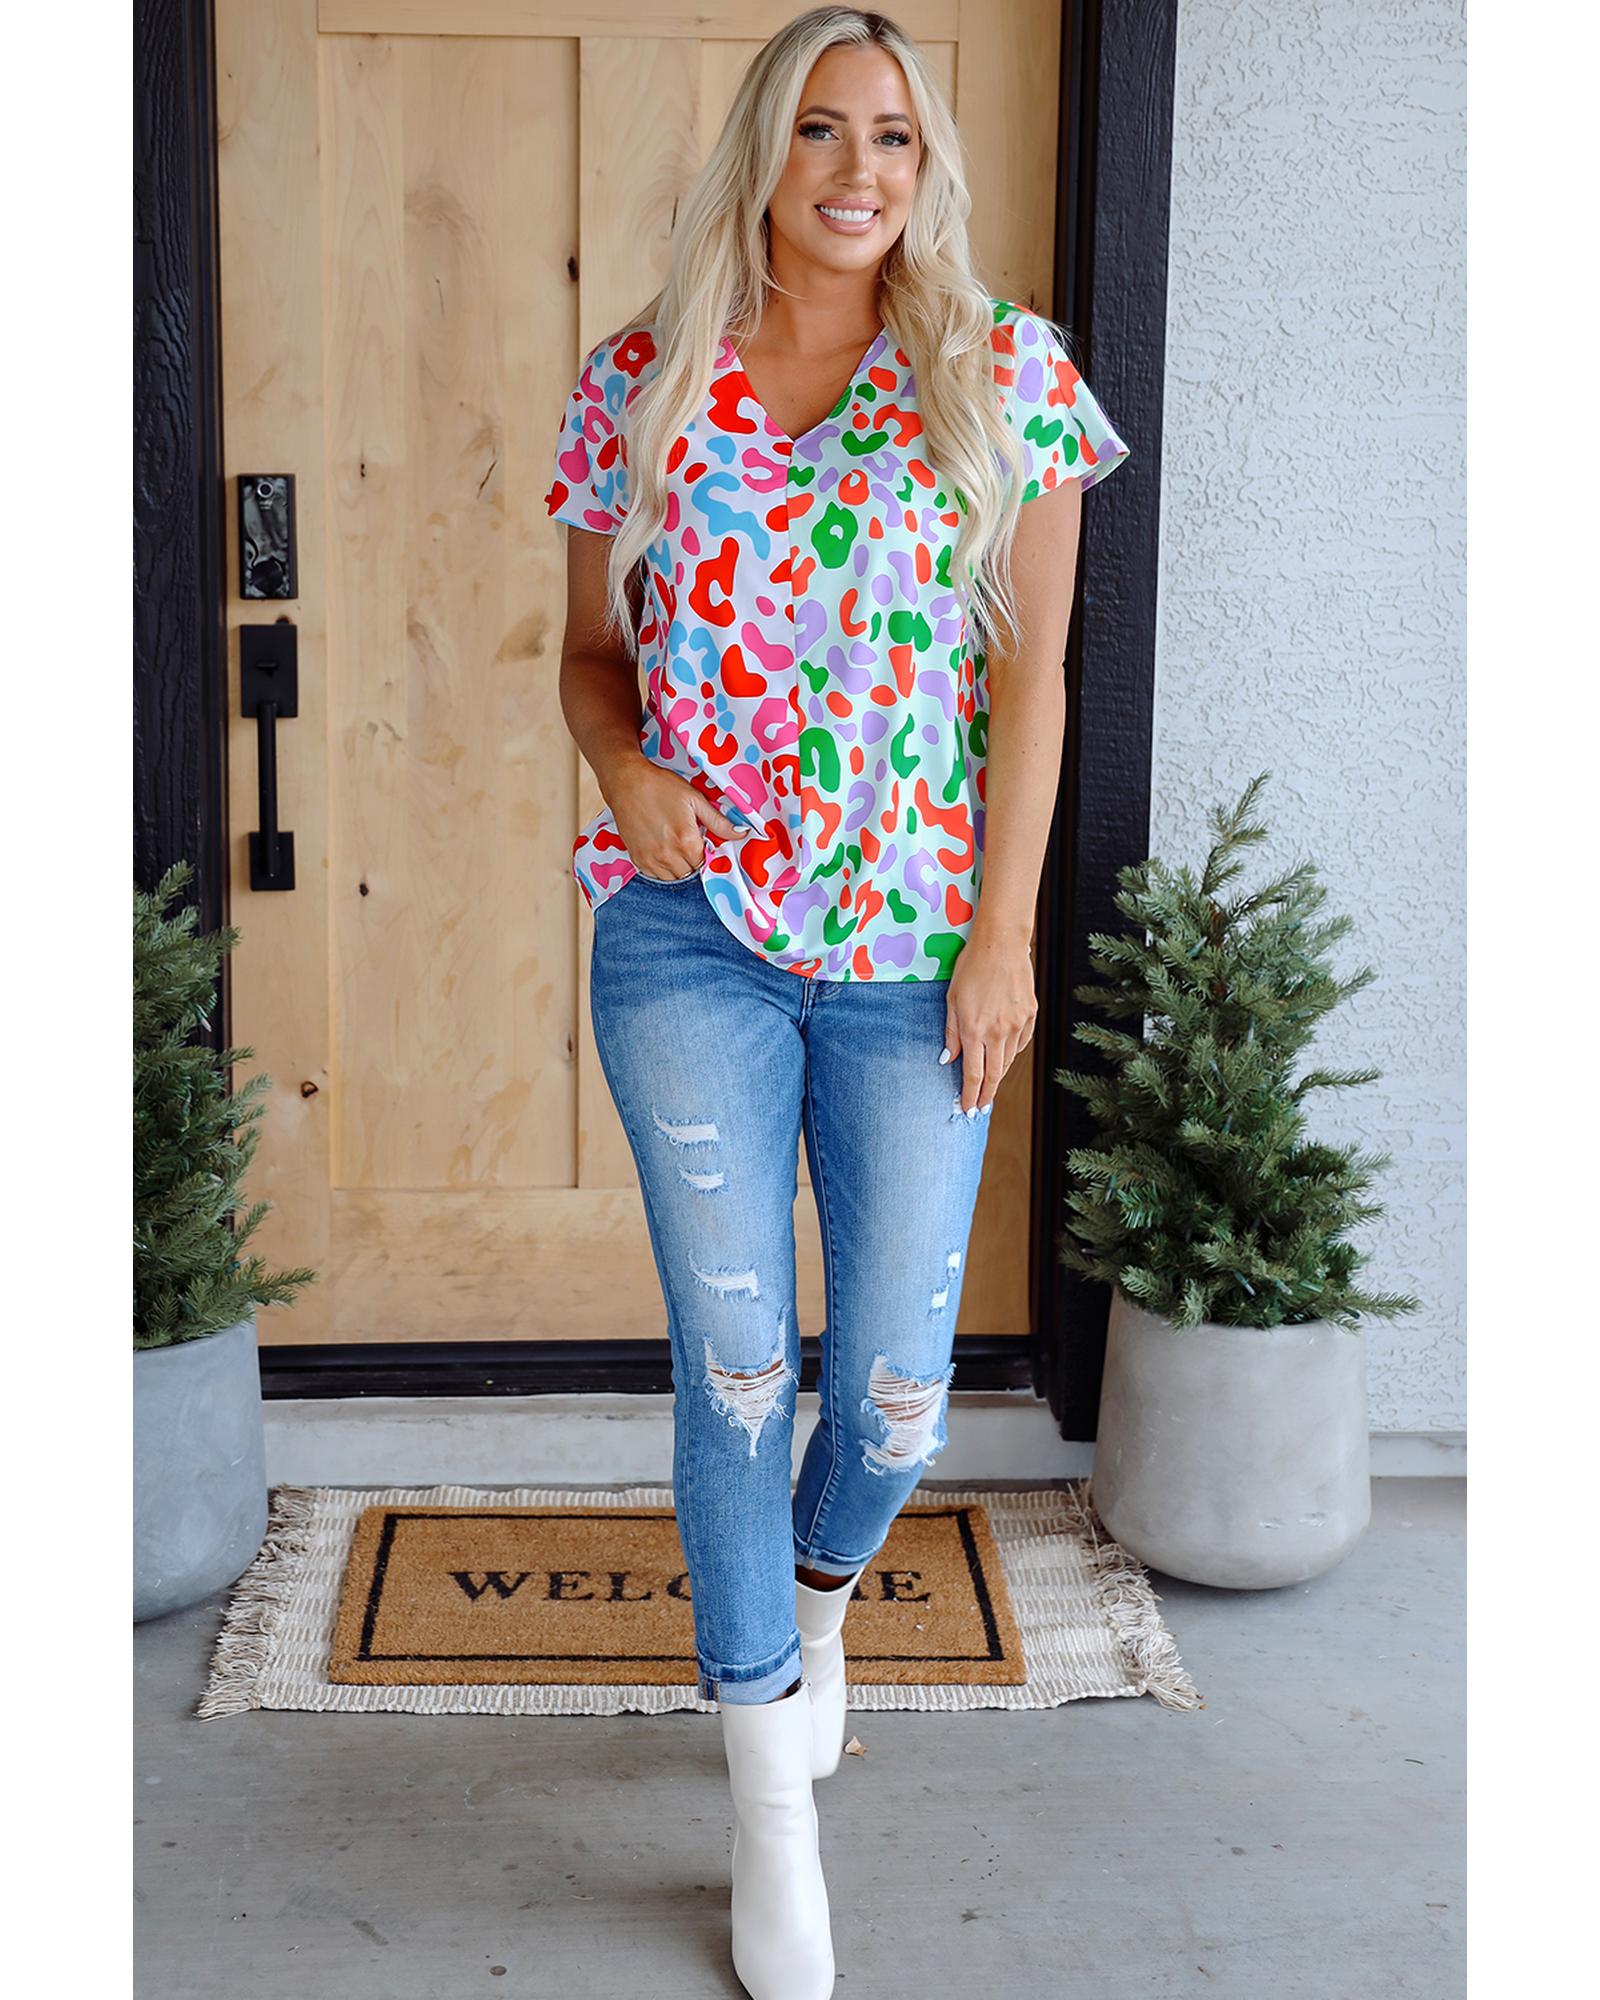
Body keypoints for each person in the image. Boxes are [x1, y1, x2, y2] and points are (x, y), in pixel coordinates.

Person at [543, 8, 1129, 1996]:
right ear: (763, 154)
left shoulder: (1003, 376)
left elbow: (1033, 682)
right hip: (686, 940)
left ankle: (810, 1604)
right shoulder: (640, 379)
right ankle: (765, 1799)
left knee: (889, 1393)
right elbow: (588, 655)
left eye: (889, 133)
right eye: (819, 129)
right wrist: (622, 772)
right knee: (733, 1364)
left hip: (914, 957)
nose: (857, 168)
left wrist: (1003, 935)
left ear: (922, 162)